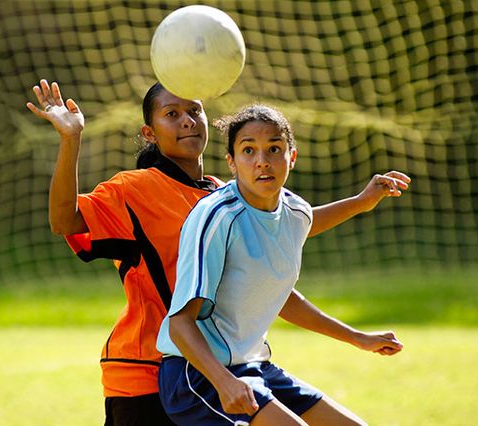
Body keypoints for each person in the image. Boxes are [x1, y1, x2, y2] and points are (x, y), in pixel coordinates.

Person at [26, 81, 410, 426]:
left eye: (194, 110)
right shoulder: (134, 189)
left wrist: (360, 203)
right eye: (172, 114)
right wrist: (70, 139)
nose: (188, 121)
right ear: (150, 132)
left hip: (222, 363)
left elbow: (292, 226)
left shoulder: (223, 193)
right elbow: (65, 220)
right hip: (147, 371)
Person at [156, 104, 408, 426]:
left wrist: (358, 337)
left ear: (292, 156)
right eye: (248, 150)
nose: (262, 160)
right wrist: (223, 382)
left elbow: (284, 291)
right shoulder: (216, 217)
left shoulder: (294, 211)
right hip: (198, 374)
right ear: (231, 162)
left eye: (274, 148)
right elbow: (180, 324)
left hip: (253, 366)